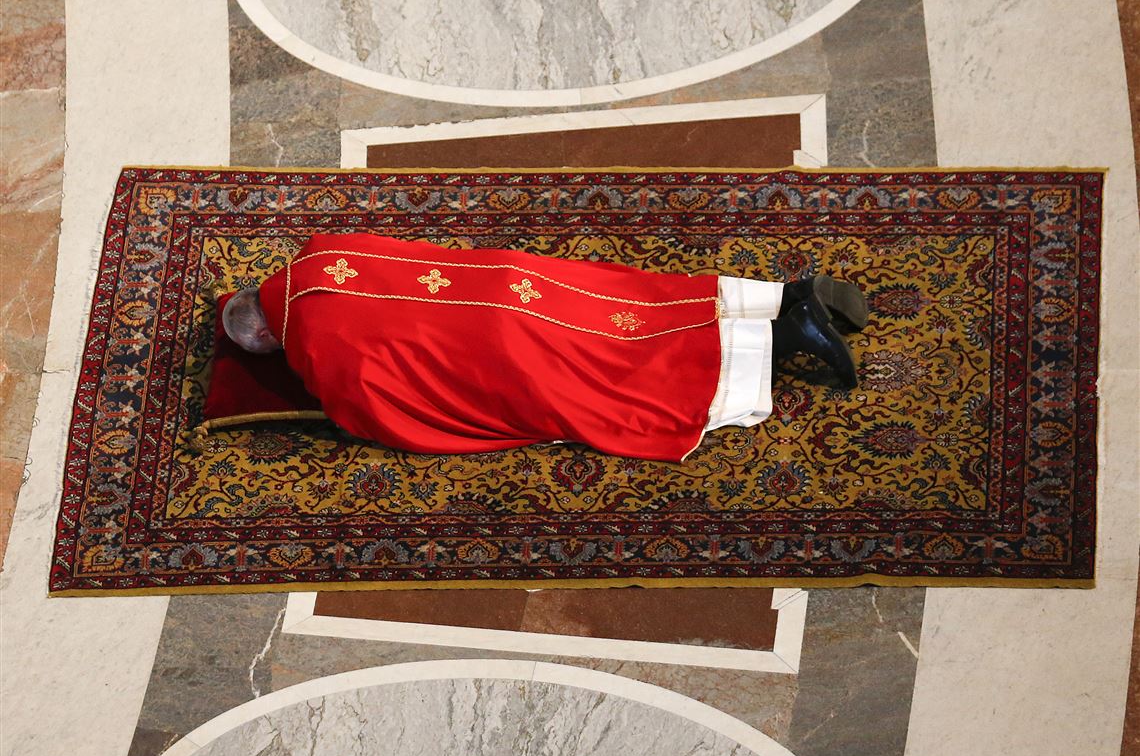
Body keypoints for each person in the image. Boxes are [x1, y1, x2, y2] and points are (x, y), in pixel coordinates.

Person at [222, 233, 866, 462]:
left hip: (499, 345)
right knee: (632, 304)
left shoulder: (310, 346)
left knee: (613, 378)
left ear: (265, 339)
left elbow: (375, 412)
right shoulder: (322, 250)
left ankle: (785, 336)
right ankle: (781, 297)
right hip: (510, 281)